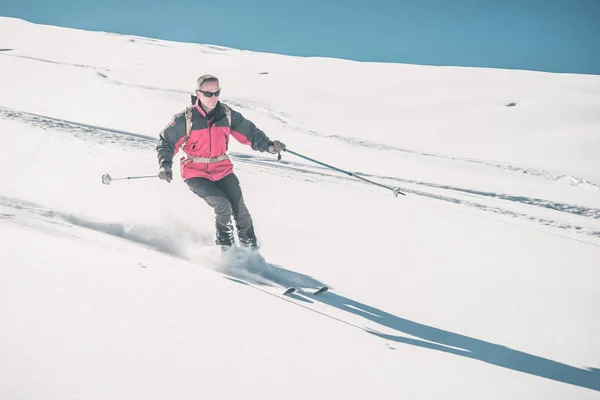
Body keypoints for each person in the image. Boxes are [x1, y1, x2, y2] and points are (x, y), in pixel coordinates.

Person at [156, 74, 286, 250]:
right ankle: (226, 251)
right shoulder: (185, 119)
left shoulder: (226, 114)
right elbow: (167, 142)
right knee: (223, 205)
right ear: (198, 94)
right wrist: (165, 165)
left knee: (240, 210)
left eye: (217, 93)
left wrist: (269, 146)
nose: (214, 97)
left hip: (222, 170)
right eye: (209, 94)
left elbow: (251, 134)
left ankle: (251, 252)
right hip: (196, 173)